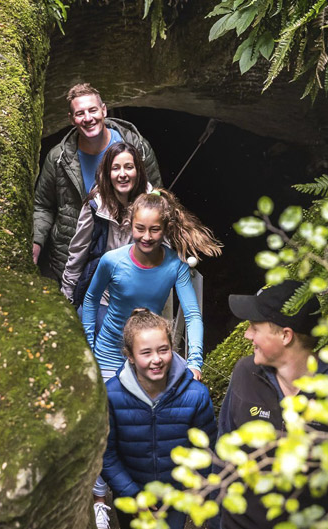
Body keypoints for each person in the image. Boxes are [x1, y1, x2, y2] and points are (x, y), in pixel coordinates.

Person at [218, 280, 328, 529]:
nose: (247, 335)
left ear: (285, 335)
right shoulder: (246, 372)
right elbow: (224, 448)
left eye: (254, 328)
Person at [81, 189, 222, 382]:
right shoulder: (111, 261)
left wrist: (195, 362)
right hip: (108, 355)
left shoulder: (175, 266)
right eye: (140, 228)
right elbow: (90, 300)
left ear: (166, 228)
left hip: (150, 357)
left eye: (154, 229)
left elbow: (193, 315)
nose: (146, 236)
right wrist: (88, 347)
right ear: (130, 225)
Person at [99, 308, 217, 529]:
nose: (157, 360)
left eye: (163, 350)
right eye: (146, 353)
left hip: (176, 498)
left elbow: (207, 449)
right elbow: (106, 453)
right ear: (130, 356)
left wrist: (193, 490)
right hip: (130, 494)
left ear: (172, 348)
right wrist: (131, 494)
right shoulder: (111, 395)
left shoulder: (195, 395)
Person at [32, 83, 162, 282]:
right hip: (72, 260)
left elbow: (157, 198)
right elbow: (43, 205)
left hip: (126, 256)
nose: (88, 118)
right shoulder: (58, 158)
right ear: (71, 119)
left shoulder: (137, 148)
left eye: (93, 110)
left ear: (104, 110)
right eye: (80, 113)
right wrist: (36, 242)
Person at [61, 141, 151, 312]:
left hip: (139, 299)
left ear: (138, 171)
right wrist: (66, 296)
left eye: (129, 167)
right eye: (115, 168)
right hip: (100, 296)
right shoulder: (95, 206)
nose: (122, 174)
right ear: (107, 173)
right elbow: (77, 253)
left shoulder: (151, 206)